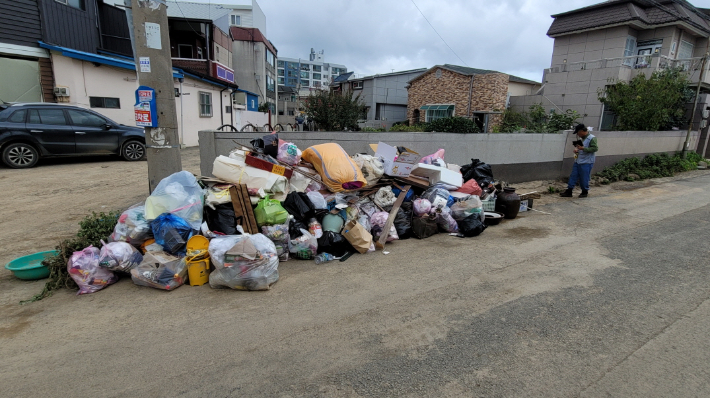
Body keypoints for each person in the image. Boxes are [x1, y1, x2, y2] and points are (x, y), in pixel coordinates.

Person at [560, 124, 598, 198]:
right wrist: (577, 150)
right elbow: (580, 148)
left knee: (584, 177)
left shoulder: (592, 138)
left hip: (587, 162)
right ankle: (569, 191)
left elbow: (595, 149)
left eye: (578, 132)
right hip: (578, 160)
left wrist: (583, 149)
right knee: (573, 176)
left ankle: (584, 191)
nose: (577, 134)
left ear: (582, 131)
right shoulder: (582, 139)